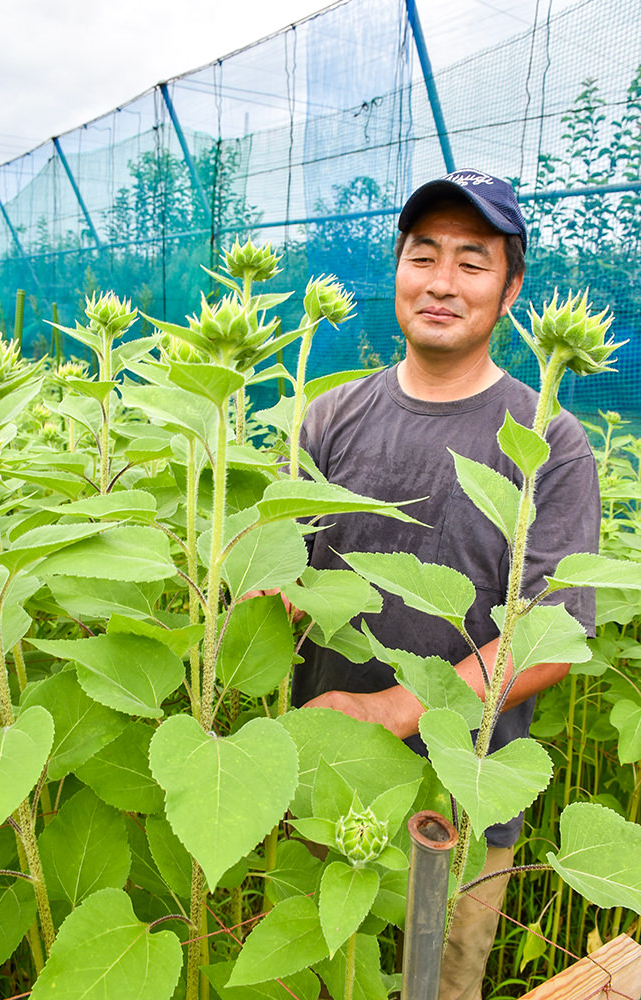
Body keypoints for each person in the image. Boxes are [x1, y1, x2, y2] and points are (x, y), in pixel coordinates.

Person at [290, 168, 600, 1000]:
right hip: (331, 776)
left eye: (471, 262)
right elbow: (293, 577)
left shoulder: (550, 442)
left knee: (441, 983)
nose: (440, 282)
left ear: (510, 290)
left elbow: (551, 637)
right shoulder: (331, 414)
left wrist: (390, 710)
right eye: (423, 255)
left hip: (463, 798)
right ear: (397, 269)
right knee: (323, 975)